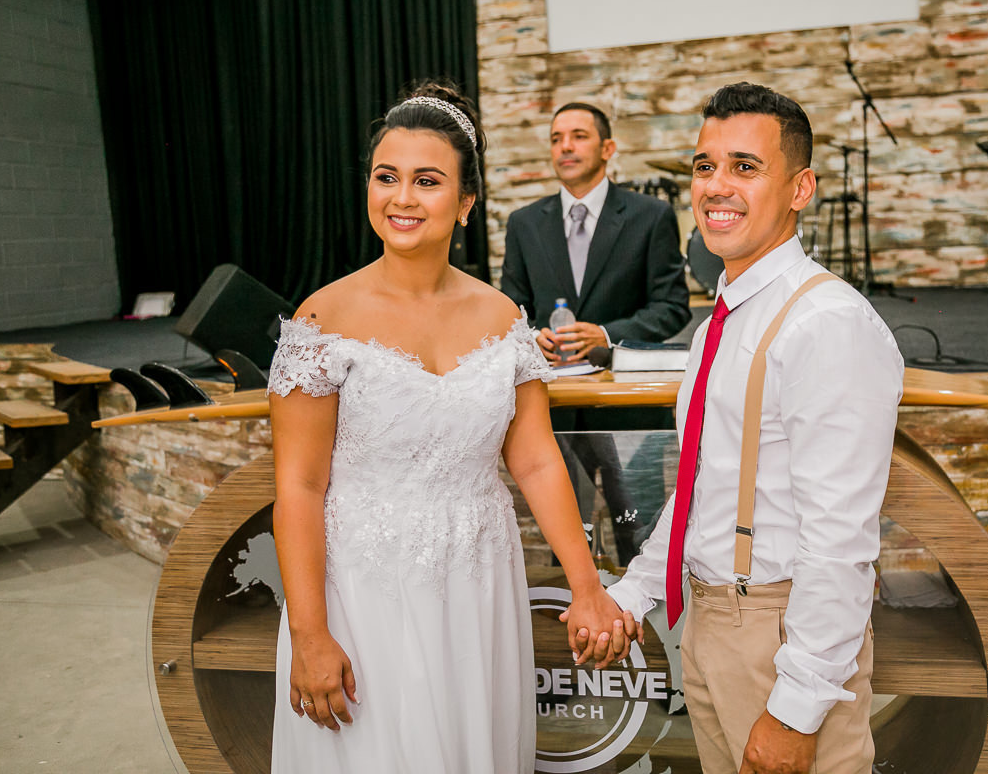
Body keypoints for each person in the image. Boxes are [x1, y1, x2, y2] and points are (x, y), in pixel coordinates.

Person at [266, 82, 638, 774]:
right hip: (362, 594)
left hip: (477, 593)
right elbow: (299, 486)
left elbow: (534, 463)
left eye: (427, 181)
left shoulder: (505, 321)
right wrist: (309, 631)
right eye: (387, 177)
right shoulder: (321, 321)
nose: (402, 198)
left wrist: (587, 586)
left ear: (465, 204)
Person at [604, 83, 904, 774]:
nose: (716, 186)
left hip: (779, 639)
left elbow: (840, 541)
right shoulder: (719, 322)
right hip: (708, 628)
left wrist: (797, 708)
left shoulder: (826, 324)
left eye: (745, 166)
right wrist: (637, 589)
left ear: (800, 189)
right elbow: (704, 485)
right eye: (704, 166)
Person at [500, 103, 692, 564]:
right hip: (553, 407)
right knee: (568, 536)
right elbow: (511, 313)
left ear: (608, 148)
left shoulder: (651, 216)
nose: (565, 146)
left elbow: (672, 307)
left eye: (578, 135)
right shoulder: (525, 224)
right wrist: (531, 337)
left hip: (627, 405)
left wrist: (607, 334)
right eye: (556, 137)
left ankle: (647, 625)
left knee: (639, 531)